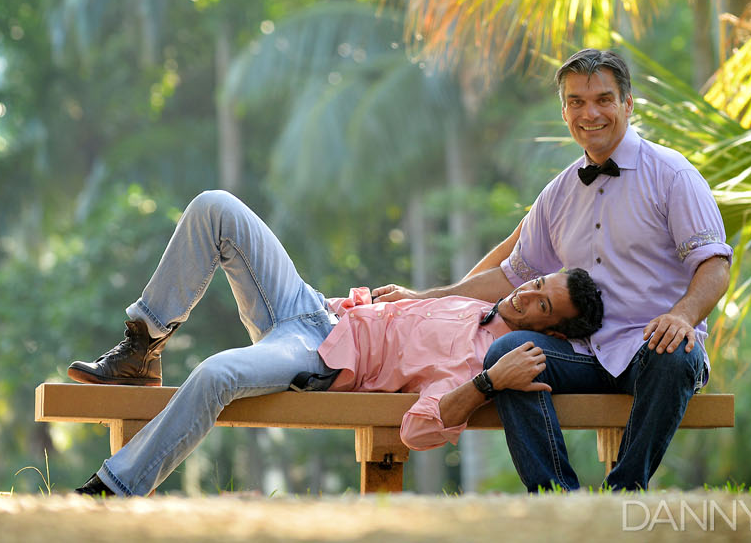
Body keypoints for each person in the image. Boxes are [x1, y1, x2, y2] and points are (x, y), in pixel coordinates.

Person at [65, 189, 604, 496]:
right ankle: (142, 345)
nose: (527, 295)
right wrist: (414, 298)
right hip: (312, 308)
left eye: (542, 304)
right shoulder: (477, 305)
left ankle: (113, 491)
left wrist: (488, 383)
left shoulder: (482, 361)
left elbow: (418, 429)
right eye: (535, 284)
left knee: (216, 374)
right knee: (216, 207)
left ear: (551, 332)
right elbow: (501, 260)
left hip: (315, 358)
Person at [372, 48, 731, 492]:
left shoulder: (673, 175)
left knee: (674, 356)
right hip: (583, 354)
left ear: (628, 104)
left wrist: (682, 316)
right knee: (513, 351)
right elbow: (510, 276)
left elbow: (714, 265)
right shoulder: (558, 194)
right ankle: (557, 497)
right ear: (564, 111)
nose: (590, 113)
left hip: (653, 348)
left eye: (603, 99)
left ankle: (625, 492)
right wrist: (425, 298)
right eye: (577, 102)